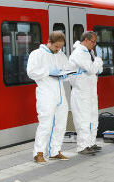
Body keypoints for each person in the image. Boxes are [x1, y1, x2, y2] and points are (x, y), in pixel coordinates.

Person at [27, 31, 73, 163]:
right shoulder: (37, 54)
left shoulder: (61, 55)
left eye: (61, 47)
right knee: (45, 124)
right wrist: (48, 72)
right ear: (50, 42)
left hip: (60, 94)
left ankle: (55, 151)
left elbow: (67, 69)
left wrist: (66, 75)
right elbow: (31, 72)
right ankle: (39, 152)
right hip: (46, 94)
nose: (59, 49)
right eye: (57, 46)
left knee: (61, 124)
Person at [68, 31, 103, 155]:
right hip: (81, 92)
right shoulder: (78, 53)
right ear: (86, 40)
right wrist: (98, 61)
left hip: (91, 91)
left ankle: (91, 143)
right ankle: (82, 146)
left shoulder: (90, 53)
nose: (94, 44)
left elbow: (99, 70)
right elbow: (92, 69)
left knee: (93, 119)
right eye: (93, 42)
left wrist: (96, 65)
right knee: (83, 120)